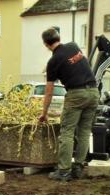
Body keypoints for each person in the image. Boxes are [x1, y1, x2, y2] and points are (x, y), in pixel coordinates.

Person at [38, 28, 99, 181]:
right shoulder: (74, 46)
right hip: (93, 91)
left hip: (76, 94)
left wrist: (44, 113)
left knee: (67, 131)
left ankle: (64, 170)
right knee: (84, 131)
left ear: (45, 44)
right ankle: (78, 167)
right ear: (59, 37)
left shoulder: (53, 62)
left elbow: (49, 91)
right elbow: (75, 64)